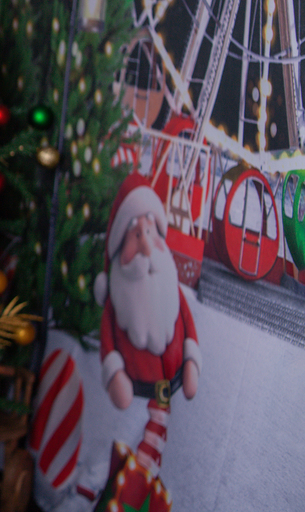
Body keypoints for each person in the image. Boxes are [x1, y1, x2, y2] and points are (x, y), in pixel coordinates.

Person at [95, 173, 201, 477]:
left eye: (150, 232)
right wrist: (115, 374)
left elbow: (188, 325)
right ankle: (123, 471)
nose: (145, 247)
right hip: (134, 380)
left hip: (166, 383)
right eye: (135, 235)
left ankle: (148, 454)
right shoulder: (117, 295)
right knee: (122, 427)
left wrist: (191, 361)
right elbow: (108, 340)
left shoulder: (171, 287)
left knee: (161, 409)